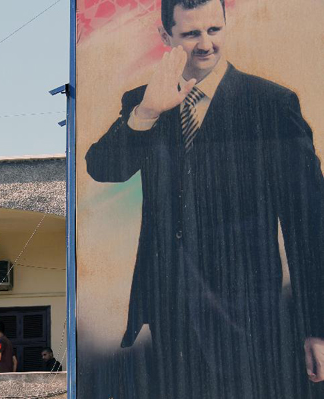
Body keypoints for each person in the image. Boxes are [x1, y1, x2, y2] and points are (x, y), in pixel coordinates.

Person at [85, 0, 324, 397]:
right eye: (191, 33)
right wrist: (146, 113)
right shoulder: (142, 102)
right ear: (166, 36)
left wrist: (316, 326)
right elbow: (102, 168)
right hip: (169, 307)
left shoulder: (271, 103)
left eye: (214, 30)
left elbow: (309, 220)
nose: (206, 44)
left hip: (249, 308)